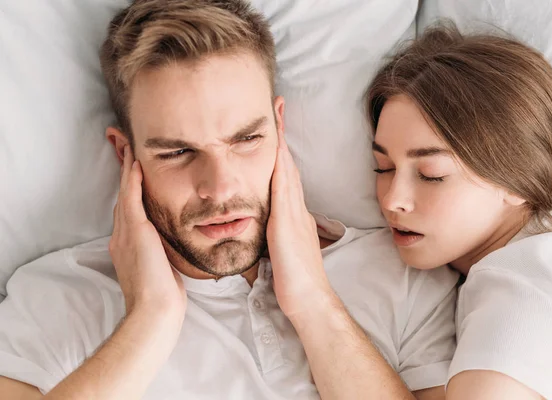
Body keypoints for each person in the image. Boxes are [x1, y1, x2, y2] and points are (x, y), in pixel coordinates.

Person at [0, 2, 458, 399]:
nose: (220, 189)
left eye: (245, 139)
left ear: (279, 126)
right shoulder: (52, 301)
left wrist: (313, 302)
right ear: (126, 154)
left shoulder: (406, 279)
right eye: (178, 153)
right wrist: (150, 319)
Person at [366, 23, 552, 399]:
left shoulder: (520, 301)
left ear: (513, 180)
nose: (393, 200)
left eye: (431, 175)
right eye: (383, 168)